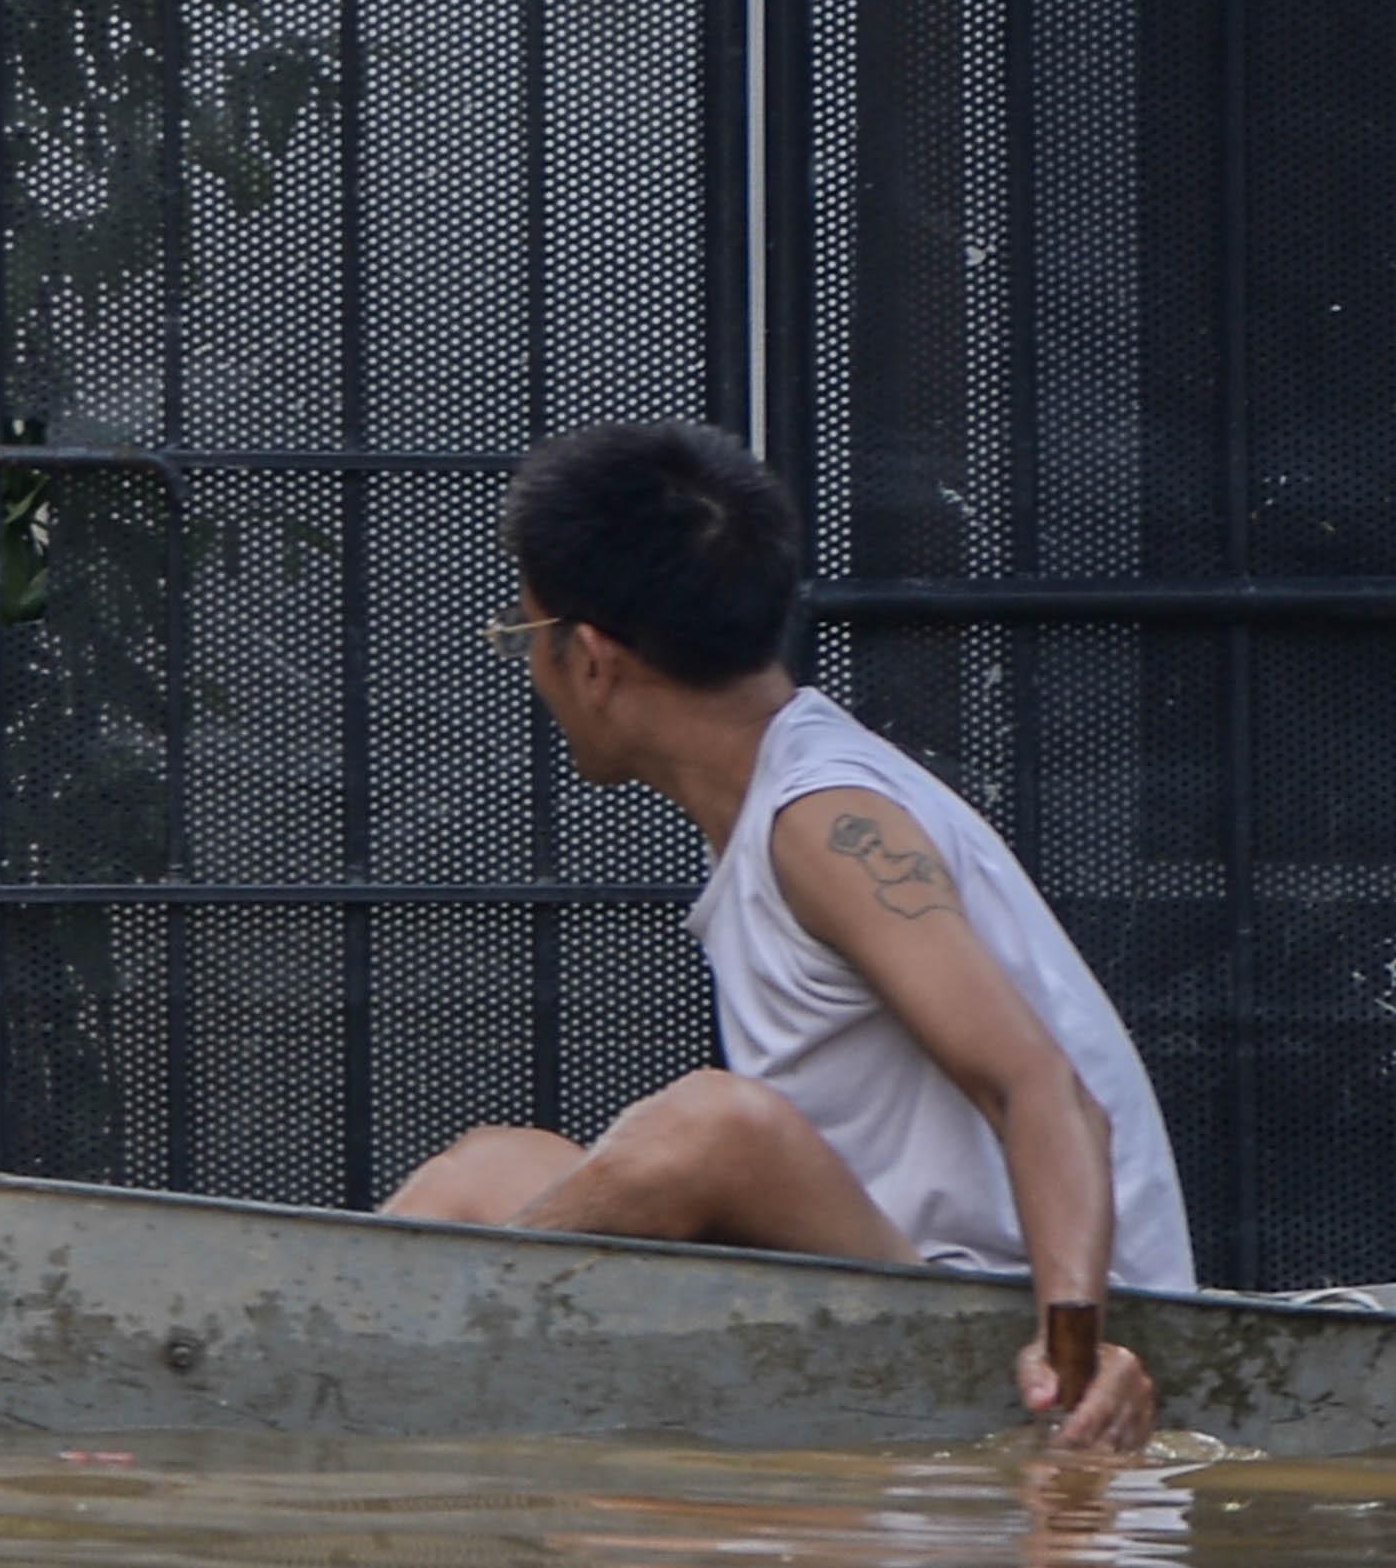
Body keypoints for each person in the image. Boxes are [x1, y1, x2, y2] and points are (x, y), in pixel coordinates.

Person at [396, 420, 1187, 1450]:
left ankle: (407, 1355)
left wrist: (1076, 1349)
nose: (530, 670)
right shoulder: (786, 796)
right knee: (480, 1172)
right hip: (898, 1281)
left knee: (716, 1128)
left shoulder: (824, 822)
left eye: (523, 633)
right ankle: (294, 1380)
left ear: (590, 659)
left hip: (1027, 1336)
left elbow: (1038, 1083)